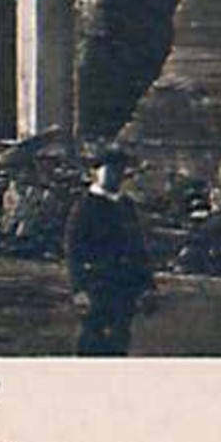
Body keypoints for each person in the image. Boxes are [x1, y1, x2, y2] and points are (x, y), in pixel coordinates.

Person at [63, 147, 153, 356]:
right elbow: (73, 252)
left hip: (126, 286)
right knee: (93, 340)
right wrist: (79, 289)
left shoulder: (125, 205)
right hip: (98, 286)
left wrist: (148, 285)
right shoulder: (85, 207)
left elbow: (138, 247)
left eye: (120, 170)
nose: (116, 175)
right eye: (109, 170)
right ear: (96, 172)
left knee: (120, 340)